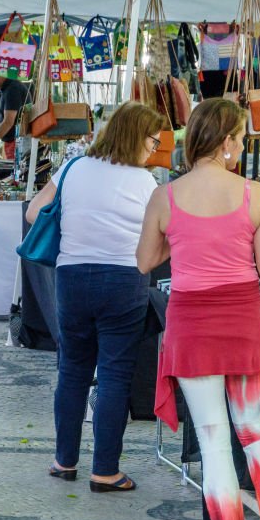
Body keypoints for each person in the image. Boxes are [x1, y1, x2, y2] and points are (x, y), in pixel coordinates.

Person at [136, 98, 260, 520]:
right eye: (242, 139)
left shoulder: (165, 195)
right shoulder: (254, 194)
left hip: (191, 328)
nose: (241, 147)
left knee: (212, 442)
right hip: (244, 323)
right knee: (253, 426)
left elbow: (145, 261)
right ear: (228, 142)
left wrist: (185, 235)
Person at [25, 101, 167, 492]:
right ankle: (105, 470)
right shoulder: (144, 182)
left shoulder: (72, 168)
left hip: (72, 278)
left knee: (71, 372)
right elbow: (161, 235)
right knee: (114, 375)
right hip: (123, 281)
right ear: (136, 137)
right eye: (153, 140)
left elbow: (34, 212)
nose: (154, 149)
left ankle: (63, 460)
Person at [0, 68, 29, 159]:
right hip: (12, 142)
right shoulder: (8, 88)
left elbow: (8, 122)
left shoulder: (13, 88)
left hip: (16, 142)